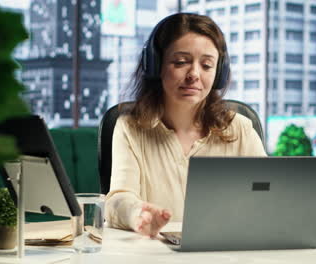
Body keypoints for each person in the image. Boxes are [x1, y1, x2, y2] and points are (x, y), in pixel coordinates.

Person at [105, 13, 267, 238]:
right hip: (156, 255)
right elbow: (117, 200)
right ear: (156, 65)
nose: (194, 74)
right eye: (181, 62)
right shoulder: (130, 128)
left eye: (207, 65)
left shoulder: (239, 128)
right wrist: (136, 214)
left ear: (218, 73)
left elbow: (268, 195)